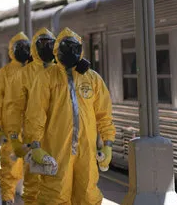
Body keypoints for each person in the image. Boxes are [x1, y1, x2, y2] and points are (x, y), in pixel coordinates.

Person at [23, 28, 116, 205]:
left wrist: (108, 144)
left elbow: (104, 114)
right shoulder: (46, 78)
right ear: (57, 51)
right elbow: (36, 113)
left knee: (88, 195)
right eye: (66, 48)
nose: (71, 53)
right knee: (55, 196)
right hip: (56, 150)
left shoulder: (92, 79)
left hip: (86, 151)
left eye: (75, 48)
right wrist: (35, 145)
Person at [4, 28, 56, 205]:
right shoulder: (23, 75)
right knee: (34, 188)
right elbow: (13, 108)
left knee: (60, 188)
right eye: (41, 44)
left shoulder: (61, 72)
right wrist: (14, 137)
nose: (46, 48)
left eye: (50, 44)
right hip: (35, 141)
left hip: (61, 139)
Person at [0, 32, 30, 205]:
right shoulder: (3, 74)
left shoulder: (35, 71)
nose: (23, 50)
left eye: (26, 47)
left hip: (32, 128)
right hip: (11, 129)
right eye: (19, 47)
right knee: (9, 166)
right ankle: (8, 199)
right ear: (12, 51)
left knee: (33, 170)